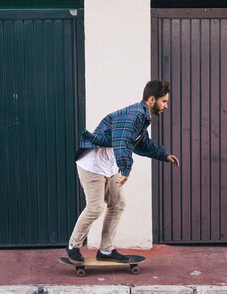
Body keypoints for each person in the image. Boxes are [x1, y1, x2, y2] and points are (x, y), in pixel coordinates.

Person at [66, 79, 180, 264]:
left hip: (110, 165)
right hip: (93, 165)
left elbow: (143, 143)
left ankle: (105, 250)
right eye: (164, 101)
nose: (166, 106)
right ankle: (73, 245)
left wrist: (164, 155)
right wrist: (126, 168)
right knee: (95, 208)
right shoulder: (133, 116)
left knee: (117, 204)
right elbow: (122, 141)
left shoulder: (142, 117)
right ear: (152, 99)